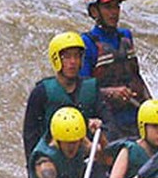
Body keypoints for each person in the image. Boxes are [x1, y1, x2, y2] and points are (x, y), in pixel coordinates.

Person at [80, 0, 151, 140]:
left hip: (133, 114)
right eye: (107, 7)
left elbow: (136, 77)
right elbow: (82, 91)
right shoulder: (87, 43)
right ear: (94, 12)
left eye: (116, 6)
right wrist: (111, 93)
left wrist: (151, 107)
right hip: (106, 119)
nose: (114, 12)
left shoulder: (126, 36)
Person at [22, 31, 107, 161]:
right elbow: (30, 135)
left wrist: (99, 127)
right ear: (56, 59)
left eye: (77, 56)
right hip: (53, 158)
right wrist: (34, 166)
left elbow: (109, 123)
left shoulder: (92, 88)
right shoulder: (41, 92)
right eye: (67, 57)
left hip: (86, 159)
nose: (73, 62)